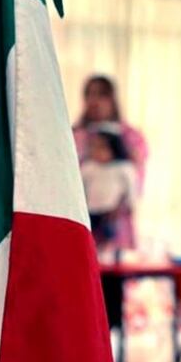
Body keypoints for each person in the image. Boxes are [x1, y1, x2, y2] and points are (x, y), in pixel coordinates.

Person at [73, 75, 148, 250]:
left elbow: (136, 180)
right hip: (82, 220)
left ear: (112, 99)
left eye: (101, 95)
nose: (95, 101)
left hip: (117, 224)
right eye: (90, 94)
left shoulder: (130, 137)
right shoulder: (73, 136)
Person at [81, 126, 138, 254]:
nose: (96, 151)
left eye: (101, 147)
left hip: (112, 211)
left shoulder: (124, 168)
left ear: (114, 148)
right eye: (93, 147)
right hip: (90, 210)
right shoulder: (89, 167)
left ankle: (109, 257)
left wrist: (130, 206)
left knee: (111, 238)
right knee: (90, 238)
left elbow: (131, 190)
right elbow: (80, 190)